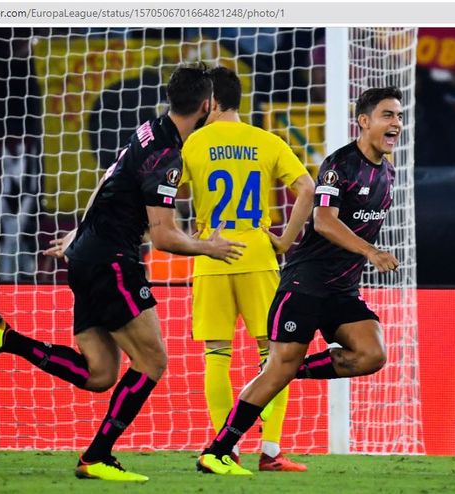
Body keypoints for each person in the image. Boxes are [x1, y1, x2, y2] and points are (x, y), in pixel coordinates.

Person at [0, 63, 245, 482]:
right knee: (152, 361)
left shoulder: (150, 129)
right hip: (111, 261)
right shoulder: (167, 156)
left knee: (100, 374)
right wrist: (209, 247)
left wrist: (79, 231)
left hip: (90, 255)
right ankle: (97, 456)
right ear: (207, 105)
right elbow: (163, 237)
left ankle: (6, 338)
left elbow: (109, 180)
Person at [196, 86, 402, 475]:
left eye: (399, 116)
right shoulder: (339, 165)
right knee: (275, 369)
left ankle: (290, 368)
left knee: (372, 353)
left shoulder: (387, 174)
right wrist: (369, 252)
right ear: (364, 121)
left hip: (341, 291)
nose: (396, 123)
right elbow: (323, 222)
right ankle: (218, 450)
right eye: (387, 115)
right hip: (304, 285)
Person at [180, 66, 315, 472]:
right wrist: (285, 239)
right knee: (274, 356)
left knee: (216, 354)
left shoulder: (192, 144)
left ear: (212, 101)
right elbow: (307, 188)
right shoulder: (266, 140)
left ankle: (225, 449)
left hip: (211, 254)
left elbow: (166, 193)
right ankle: (270, 451)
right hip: (258, 255)